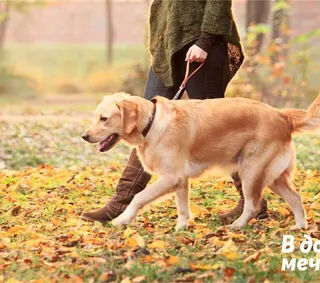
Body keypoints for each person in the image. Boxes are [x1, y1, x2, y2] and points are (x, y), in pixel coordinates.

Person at [81, 0, 267, 224]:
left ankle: (253, 203)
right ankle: (121, 202)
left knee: (217, 129)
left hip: (201, 49)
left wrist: (205, 42)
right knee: (140, 122)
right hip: (168, 50)